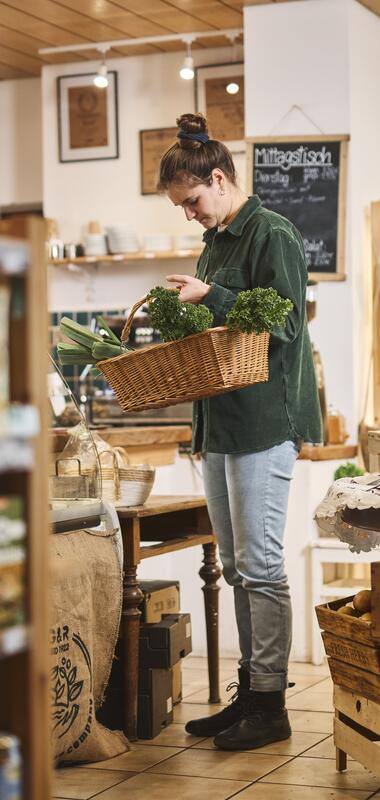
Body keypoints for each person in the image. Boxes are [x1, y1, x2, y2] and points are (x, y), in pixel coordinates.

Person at [157, 112, 322, 751]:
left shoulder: (271, 233)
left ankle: (271, 704)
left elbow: (283, 326)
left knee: (259, 563)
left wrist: (212, 299)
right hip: (221, 423)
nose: (190, 215)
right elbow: (221, 339)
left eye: (192, 201)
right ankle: (249, 693)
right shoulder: (217, 240)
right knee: (233, 566)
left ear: (220, 179)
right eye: (182, 207)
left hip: (264, 421)